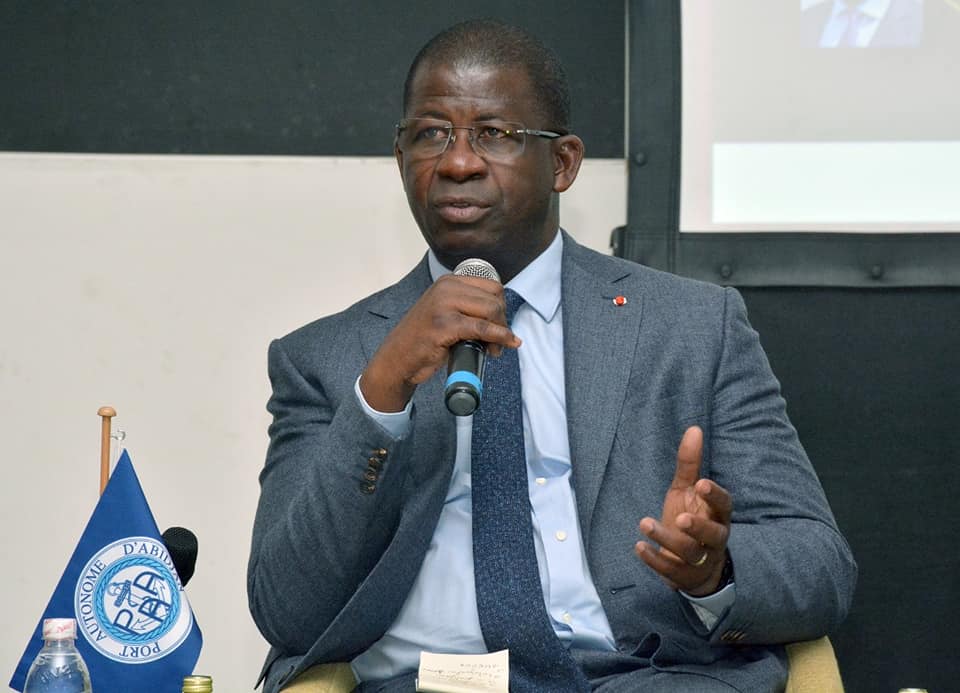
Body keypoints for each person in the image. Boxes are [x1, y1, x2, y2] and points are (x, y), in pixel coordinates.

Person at [247, 19, 857, 693]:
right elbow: (287, 610)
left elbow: (820, 566)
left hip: (641, 677)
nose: (457, 162)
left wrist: (714, 570)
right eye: (431, 134)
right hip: (429, 683)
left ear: (562, 163)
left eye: (494, 134)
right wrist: (384, 390)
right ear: (400, 158)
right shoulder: (326, 359)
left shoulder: (691, 327)